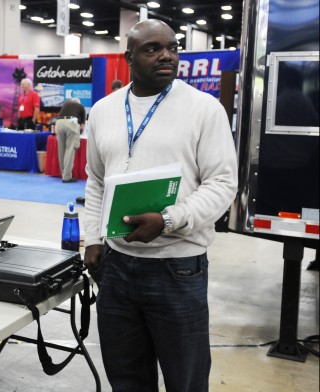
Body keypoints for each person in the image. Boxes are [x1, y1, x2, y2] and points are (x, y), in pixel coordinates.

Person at [83, 19, 238, 391]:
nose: (166, 55)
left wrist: (169, 220)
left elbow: (223, 184)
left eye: (172, 47)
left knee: (185, 380)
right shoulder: (104, 110)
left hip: (178, 270)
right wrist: (92, 239)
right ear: (129, 58)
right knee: (127, 378)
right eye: (152, 49)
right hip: (116, 268)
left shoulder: (204, 109)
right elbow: (96, 180)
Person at [55, 97, 86, 183]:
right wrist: (79, 132)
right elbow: (82, 126)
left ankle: (63, 174)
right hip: (71, 123)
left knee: (61, 149)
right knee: (70, 149)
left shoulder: (66, 104)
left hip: (59, 123)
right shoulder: (81, 107)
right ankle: (67, 176)